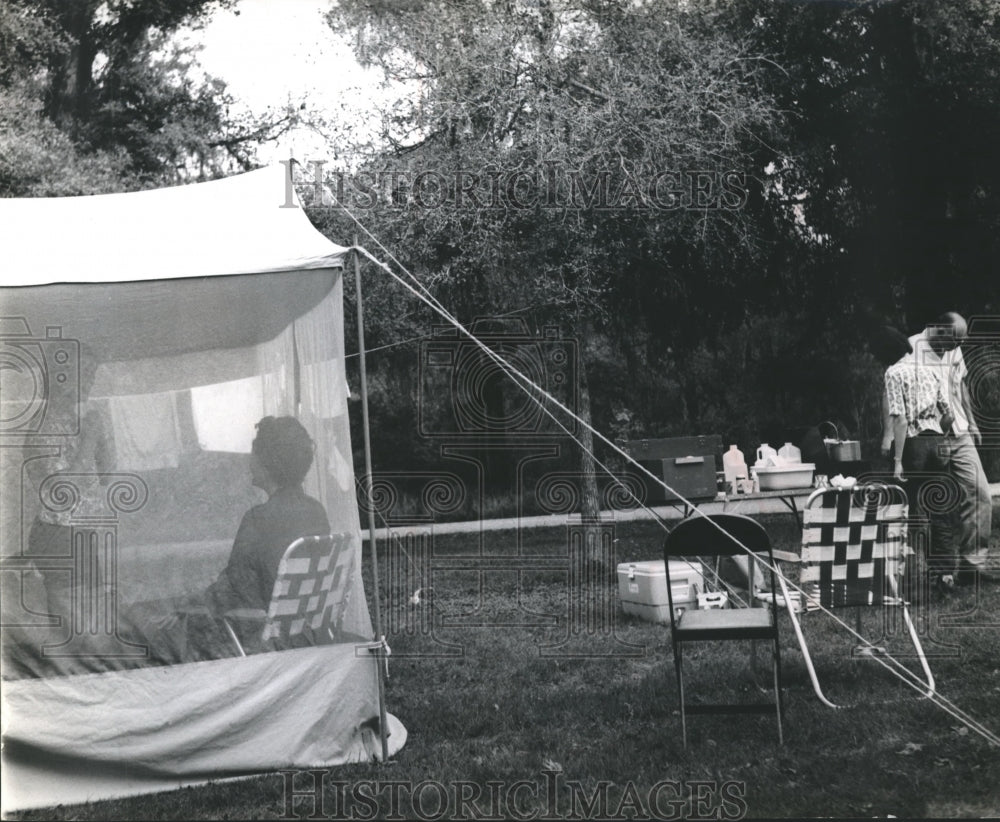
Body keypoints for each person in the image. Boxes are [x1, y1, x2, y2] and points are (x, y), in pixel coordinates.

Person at [128, 416, 330, 663]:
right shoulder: (316, 511)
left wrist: (182, 607)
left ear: (267, 463)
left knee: (141, 616)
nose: (249, 459)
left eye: (254, 452)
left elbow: (227, 592)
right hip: (304, 630)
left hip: (260, 632)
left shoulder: (259, 518)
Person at [907, 313, 994, 586]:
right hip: (928, 436)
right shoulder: (910, 350)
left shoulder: (953, 348)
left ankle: (972, 566)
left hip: (960, 431)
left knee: (980, 493)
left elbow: (961, 386)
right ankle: (934, 571)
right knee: (935, 505)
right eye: (953, 340)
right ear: (939, 329)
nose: (955, 346)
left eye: (959, 342)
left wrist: (974, 424)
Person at [884, 333, 954, 593]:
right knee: (940, 509)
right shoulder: (929, 369)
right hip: (936, 441)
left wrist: (898, 460)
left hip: (913, 445)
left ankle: (910, 579)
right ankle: (945, 574)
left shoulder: (893, 373)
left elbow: (900, 421)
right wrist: (939, 435)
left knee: (910, 511)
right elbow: (948, 414)